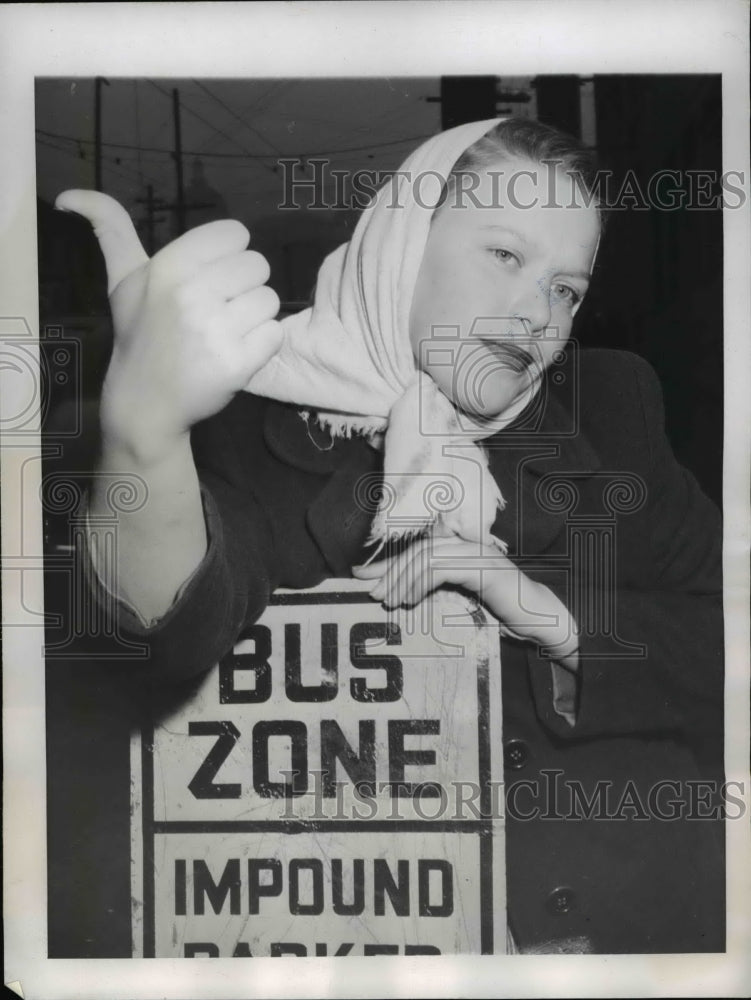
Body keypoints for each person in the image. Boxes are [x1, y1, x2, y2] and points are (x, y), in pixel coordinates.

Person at [55, 117, 724, 954]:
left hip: (626, 940)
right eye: (504, 256)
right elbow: (160, 636)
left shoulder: (613, 407)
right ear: (403, 246)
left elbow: (722, 643)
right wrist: (144, 437)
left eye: (567, 288)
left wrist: (553, 616)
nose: (536, 315)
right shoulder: (236, 420)